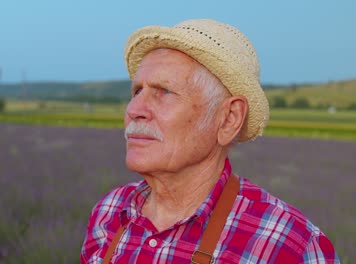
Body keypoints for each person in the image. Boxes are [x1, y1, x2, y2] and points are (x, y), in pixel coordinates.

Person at [81, 19, 339, 263]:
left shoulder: (289, 245)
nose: (134, 109)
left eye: (165, 91)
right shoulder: (110, 212)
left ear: (228, 119)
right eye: (137, 91)